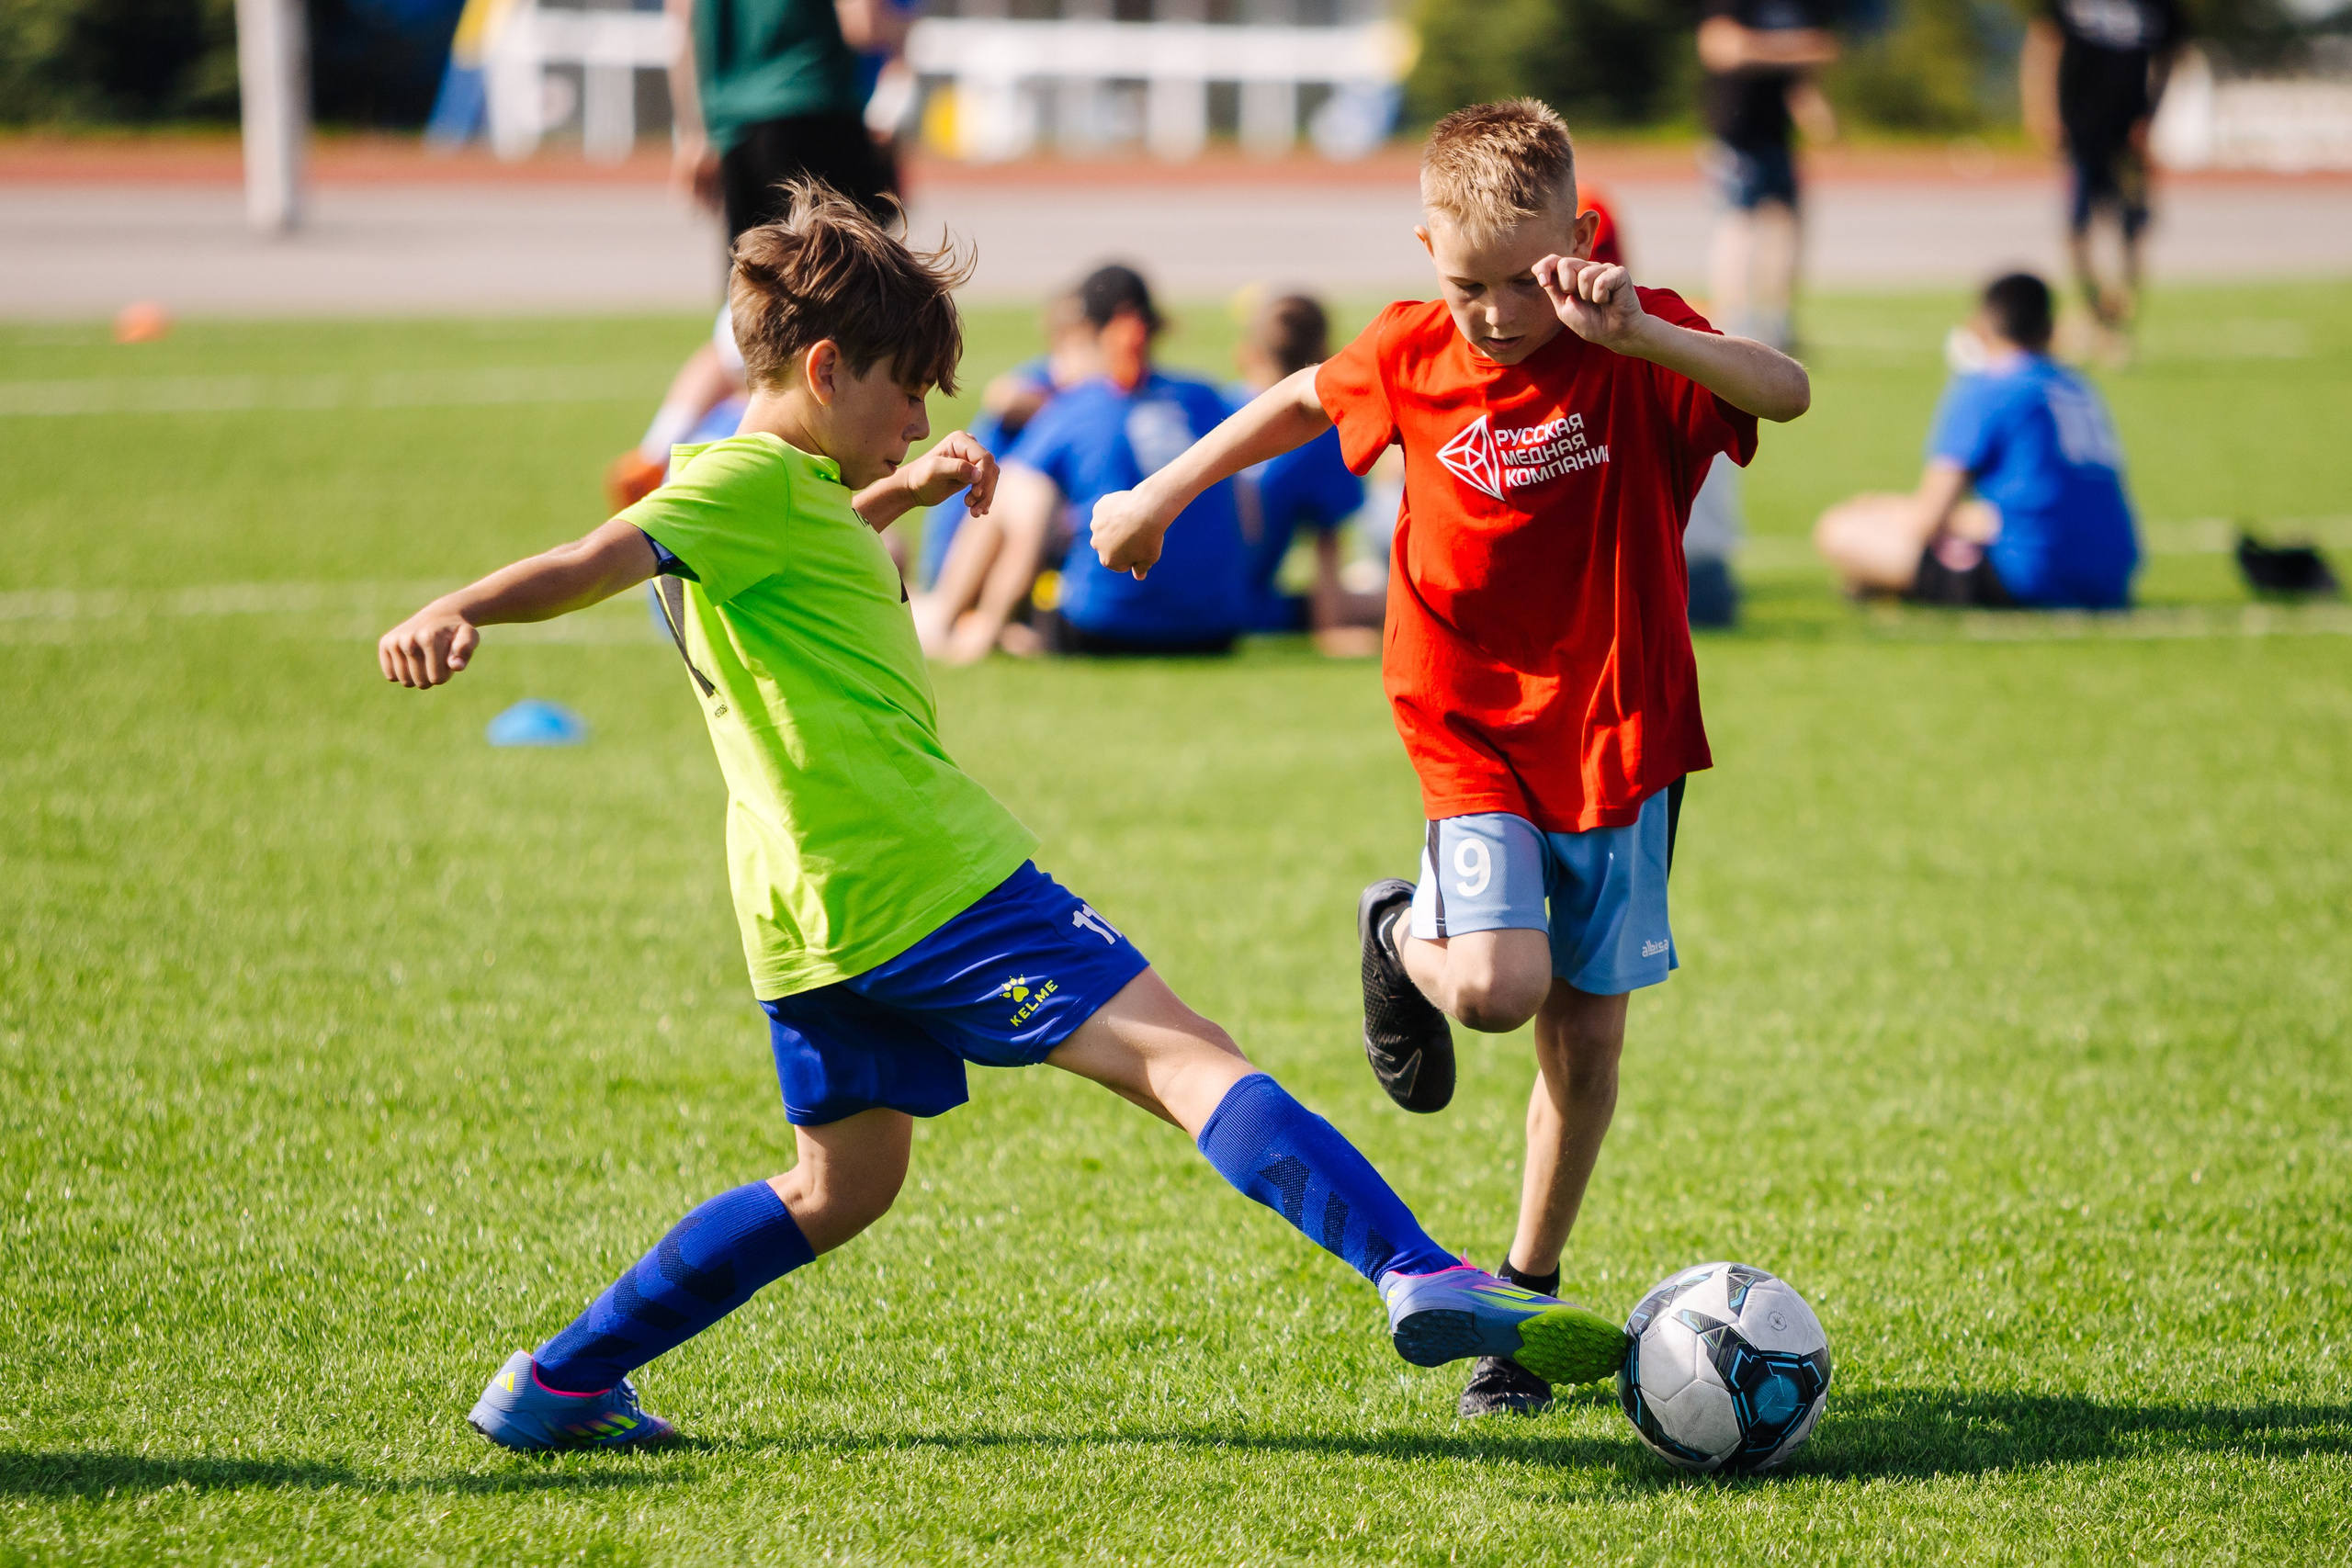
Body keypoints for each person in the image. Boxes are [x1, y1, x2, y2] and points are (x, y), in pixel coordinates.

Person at [374, 183, 1626, 1453]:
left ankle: (560, 1382)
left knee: (838, 1185)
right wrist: (460, 606)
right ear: (825, 368)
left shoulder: (774, 490)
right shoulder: (735, 484)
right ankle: (1415, 1267)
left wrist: (900, 491)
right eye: (908, 393)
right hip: (927, 873)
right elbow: (600, 555)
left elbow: (793, 547)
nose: (923, 420)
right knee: (1184, 1056)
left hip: (806, 910)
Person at [1089, 100, 1810, 1419]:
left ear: (1576, 237)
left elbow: (1786, 390)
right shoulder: (1415, 346)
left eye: (1522, 280)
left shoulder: (1634, 334)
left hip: (1621, 726)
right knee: (1491, 988)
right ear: (1427, 251)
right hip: (1465, 714)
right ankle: (1401, 935)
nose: (1494, 313)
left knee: (1585, 1041)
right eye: (1465, 283)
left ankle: (1523, 1304)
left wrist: (1643, 334)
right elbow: (1299, 400)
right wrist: (1156, 497)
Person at [604, 0, 900, 509]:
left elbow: (682, 22)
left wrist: (693, 132)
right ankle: (769, 485)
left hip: (735, 126)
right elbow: (863, 22)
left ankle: (660, 452)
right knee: (845, 312)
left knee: (752, 313)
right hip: (814, 110)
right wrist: (909, 34)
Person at [922, 264, 1250, 663]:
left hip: (1102, 627)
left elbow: (1016, 479)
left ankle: (964, 624)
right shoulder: (1205, 398)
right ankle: (991, 625)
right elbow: (1251, 515)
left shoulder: (1077, 405)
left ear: (1085, 332)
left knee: (1020, 488)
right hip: (1216, 629)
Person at [1813, 271, 2139, 610]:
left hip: (2034, 574)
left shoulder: (1987, 387)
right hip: (2111, 576)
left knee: (1841, 530)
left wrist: (1886, 509)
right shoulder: (2076, 387)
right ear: (2049, 329)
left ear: (1981, 326)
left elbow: (1929, 519)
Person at [2022, 0, 2185, 360]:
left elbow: (2171, 57)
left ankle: (2119, 322)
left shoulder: (2157, 7)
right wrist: (2043, 110)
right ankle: (2092, 310)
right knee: (2075, 228)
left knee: (2132, 231)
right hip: (2079, 133)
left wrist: (2151, 115)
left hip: (2128, 139)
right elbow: (2043, 44)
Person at [916, 289, 1102, 590]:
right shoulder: (1045, 382)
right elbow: (1001, 398)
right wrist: (1065, 404)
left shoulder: (1087, 397)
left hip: (995, 536)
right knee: (1035, 499)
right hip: (964, 541)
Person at [1229, 293, 1383, 657]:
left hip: (1165, 586)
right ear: (1328, 352)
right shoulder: (1321, 437)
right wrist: (1331, 628)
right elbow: (1327, 542)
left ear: (1250, 353)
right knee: (1387, 594)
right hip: (1240, 604)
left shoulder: (1220, 404)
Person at [1697, 0, 1840, 352]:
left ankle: (1777, 321)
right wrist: (1794, 48)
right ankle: (1733, 322)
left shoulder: (1796, 7)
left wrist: (1817, 118)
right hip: (1735, 137)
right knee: (1740, 227)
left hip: (1777, 137)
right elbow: (1721, 47)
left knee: (1787, 228)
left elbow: (1813, 62)